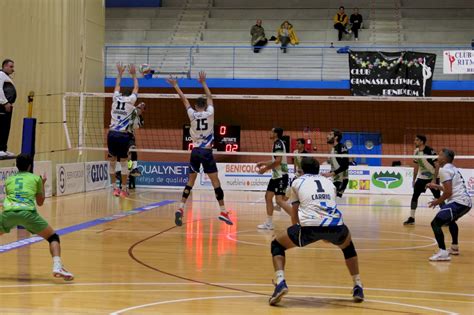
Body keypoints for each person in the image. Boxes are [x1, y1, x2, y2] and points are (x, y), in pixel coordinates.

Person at [268, 157, 364, 306]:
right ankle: (358, 285)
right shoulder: (329, 183)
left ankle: (280, 282)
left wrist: (296, 232)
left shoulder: (297, 182)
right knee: (348, 246)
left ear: (302, 169)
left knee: (277, 244)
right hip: (335, 226)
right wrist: (327, 235)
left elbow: (295, 213)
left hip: (309, 226)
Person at [166, 71, 233, 227]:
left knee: (190, 181)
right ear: (205, 106)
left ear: (196, 106)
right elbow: (210, 97)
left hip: (195, 151)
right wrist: (203, 83)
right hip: (207, 152)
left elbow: (184, 100)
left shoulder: (192, 114)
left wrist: (176, 86)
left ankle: (180, 208)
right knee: (216, 182)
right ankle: (223, 211)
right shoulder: (210, 114)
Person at [1, 154, 74, 280]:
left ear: (16, 166)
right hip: (28, 213)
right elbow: (40, 202)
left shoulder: (8, 180)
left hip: (9, 212)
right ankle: (57, 266)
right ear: (30, 166)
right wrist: (43, 184)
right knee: (53, 237)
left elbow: (10, 195)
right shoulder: (36, 179)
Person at [426, 149, 472, 261]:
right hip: (465, 202)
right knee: (451, 221)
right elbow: (450, 189)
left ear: (445, 158)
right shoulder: (452, 168)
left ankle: (443, 252)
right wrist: (437, 187)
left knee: (435, 223)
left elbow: (448, 193)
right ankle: (454, 247)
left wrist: (437, 201)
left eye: (440, 155)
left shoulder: (444, 170)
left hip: (459, 202)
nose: (438, 156)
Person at [108, 63, 144, 198]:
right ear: (130, 96)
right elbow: (137, 87)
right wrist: (134, 74)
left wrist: (120, 73)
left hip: (111, 133)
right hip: (123, 135)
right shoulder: (131, 101)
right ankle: (123, 189)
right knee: (123, 163)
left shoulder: (115, 98)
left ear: (121, 93)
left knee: (111, 162)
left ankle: (114, 188)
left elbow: (117, 85)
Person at [256, 127, 293, 230]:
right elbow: (275, 160)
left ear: (276, 134)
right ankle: (269, 223)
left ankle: (297, 220)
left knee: (279, 201)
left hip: (281, 175)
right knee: (268, 197)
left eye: (271, 131)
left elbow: (278, 161)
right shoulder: (277, 143)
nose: (270, 133)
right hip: (276, 176)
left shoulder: (278, 144)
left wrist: (265, 169)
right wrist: (264, 163)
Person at [403, 135, 441, 225]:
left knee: (438, 198)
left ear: (422, 142)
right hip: (421, 178)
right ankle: (412, 218)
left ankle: (447, 217)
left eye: (416, 140)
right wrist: (414, 179)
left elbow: (437, 165)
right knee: (415, 196)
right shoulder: (416, 152)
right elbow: (416, 166)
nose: (414, 141)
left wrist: (434, 180)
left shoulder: (430, 151)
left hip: (432, 178)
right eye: (415, 140)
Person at [323, 129, 349, 198]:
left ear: (336, 137)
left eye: (330, 134)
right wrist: (328, 173)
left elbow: (345, 165)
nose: (327, 136)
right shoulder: (333, 149)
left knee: (331, 200)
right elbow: (335, 166)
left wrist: (331, 174)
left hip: (341, 180)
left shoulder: (342, 147)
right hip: (335, 179)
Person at [0, 59, 17, 157]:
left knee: (6, 127)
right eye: (11, 67)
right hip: (2, 106)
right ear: (4, 66)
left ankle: (3, 148)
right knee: (1, 127)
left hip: (7, 106)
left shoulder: (6, 77)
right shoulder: (1, 75)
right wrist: (5, 102)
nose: (13, 69)